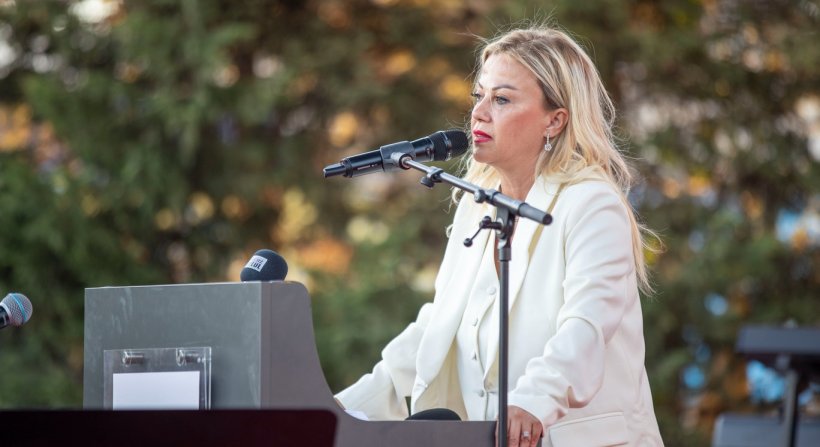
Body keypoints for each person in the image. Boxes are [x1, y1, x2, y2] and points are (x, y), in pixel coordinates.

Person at [335, 24, 664, 447]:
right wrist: (338, 410)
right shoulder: (477, 204)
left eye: (502, 99)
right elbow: (438, 328)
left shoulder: (591, 204)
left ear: (555, 120)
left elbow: (586, 326)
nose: (478, 112)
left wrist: (534, 400)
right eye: (479, 96)